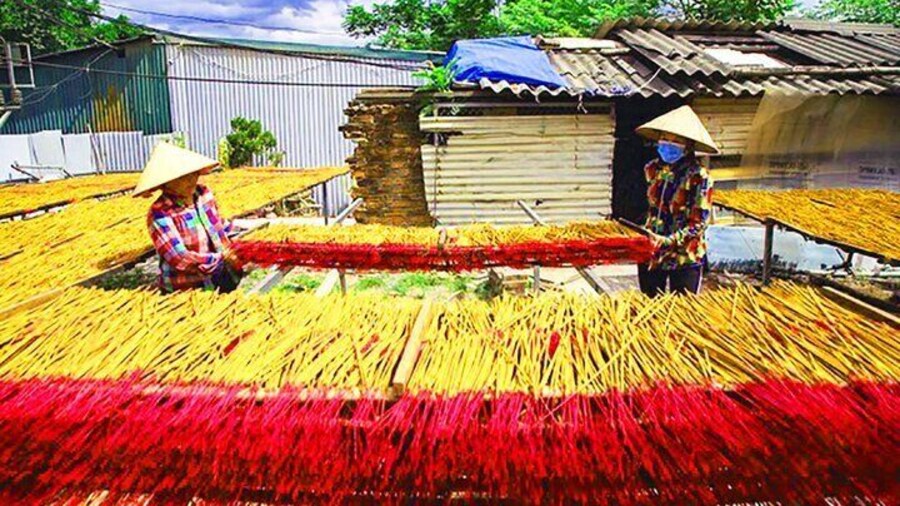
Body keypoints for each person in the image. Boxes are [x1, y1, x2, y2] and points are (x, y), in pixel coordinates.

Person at [132, 143, 244, 293]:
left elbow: (218, 226)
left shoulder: (203, 194)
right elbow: (180, 258)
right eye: (183, 177)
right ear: (166, 183)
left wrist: (244, 239)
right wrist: (222, 258)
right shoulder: (160, 213)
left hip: (221, 277)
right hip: (186, 288)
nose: (191, 180)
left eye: (193, 173)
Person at [634, 105, 717, 297]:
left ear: (688, 146)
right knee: (650, 306)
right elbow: (645, 207)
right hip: (652, 251)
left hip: (684, 254)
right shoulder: (652, 169)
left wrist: (669, 240)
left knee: (682, 310)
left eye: (676, 141)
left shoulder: (699, 177)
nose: (668, 144)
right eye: (664, 138)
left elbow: (699, 223)